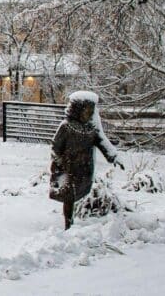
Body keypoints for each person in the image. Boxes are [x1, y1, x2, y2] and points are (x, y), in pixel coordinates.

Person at [49, 91, 124, 230]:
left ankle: (71, 223)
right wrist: (60, 163)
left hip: (83, 169)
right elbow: (55, 147)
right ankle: (68, 224)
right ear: (77, 109)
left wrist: (113, 156)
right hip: (67, 169)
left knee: (77, 193)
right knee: (68, 196)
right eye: (86, 110)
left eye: (91, 111)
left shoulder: (91, 129)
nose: (88, 114)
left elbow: (102, 142)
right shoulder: (66, 126)